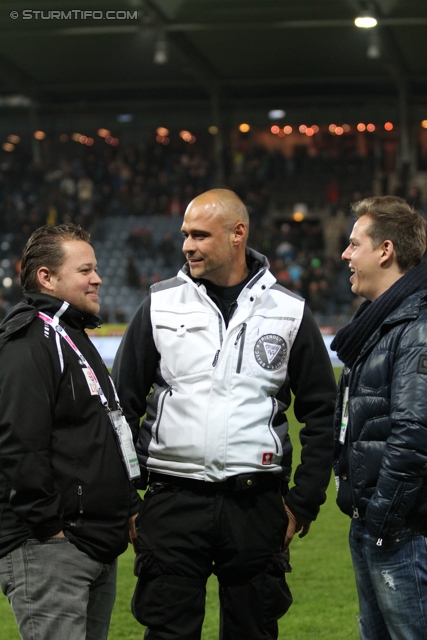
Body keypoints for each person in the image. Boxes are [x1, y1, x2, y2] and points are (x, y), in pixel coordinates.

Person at [112, 188, 336, 639]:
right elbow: (119, 409)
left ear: (238, 234)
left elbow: (323, 413)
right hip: (172, 503)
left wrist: (302, 502)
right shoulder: (158, 305)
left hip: (256, 505)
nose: (187, 245)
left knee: (252, 631)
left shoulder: (288, 312)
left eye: (199, 235)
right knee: (168, 632)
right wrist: (129, 500)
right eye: (184, 235)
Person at [0, 223, 141, 640]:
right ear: (47, 277)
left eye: (95, 269)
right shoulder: (29, 341)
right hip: (52, 548)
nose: (97, 278)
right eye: (85, 270)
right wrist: (50, 530)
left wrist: (128, 501)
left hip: (91, 541)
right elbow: (18, 444)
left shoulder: (70, 334)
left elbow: (107, 433)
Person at [331, 196, 427, 640]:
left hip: (402, 531)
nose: (345, 255)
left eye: (354, 244)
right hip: (379, 524)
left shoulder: (416, 326)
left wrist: (382, 523)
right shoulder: (382, 322)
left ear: (385, 250)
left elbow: (414, 435)